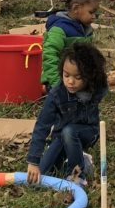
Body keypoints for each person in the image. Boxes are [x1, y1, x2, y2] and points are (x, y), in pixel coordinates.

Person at [26, 42, 107, 187]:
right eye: (66, 75)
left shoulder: (96, 88)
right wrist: (33, 161)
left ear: (90, 76)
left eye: (78, 77)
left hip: (88, 133)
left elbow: (100, 81)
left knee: (69, 131)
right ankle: (82, 161)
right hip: (61, 137)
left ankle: (76, 175)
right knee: (41, 176)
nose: (70, 81)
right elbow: (42, 126)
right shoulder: (57, 95)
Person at [40, 0, 99, 90]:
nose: (94, 17)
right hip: (60, 80)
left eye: (95, 14)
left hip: (77, 79)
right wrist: (57, 83)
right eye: (91, 12)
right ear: (76, 8)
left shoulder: (86, 29)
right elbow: (49, 55)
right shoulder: (59, 29)